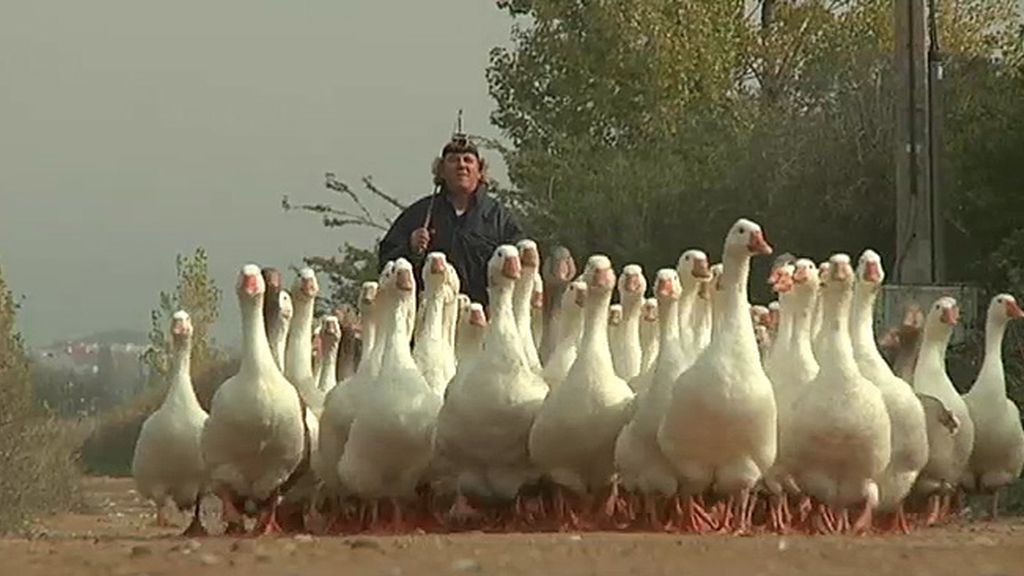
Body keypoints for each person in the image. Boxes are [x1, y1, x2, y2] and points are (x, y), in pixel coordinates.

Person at [377, 133, 524, 306]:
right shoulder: (419, 215)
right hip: (431, 317)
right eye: (453, 160)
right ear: (441, 170)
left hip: (483, 319)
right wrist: (409, 247)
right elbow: (385, 264)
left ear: (480, 170)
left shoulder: (499, 218)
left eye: (468, 160)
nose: (461, 165)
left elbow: (522, 268)